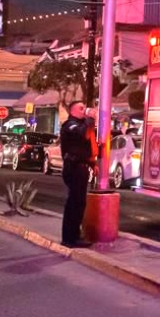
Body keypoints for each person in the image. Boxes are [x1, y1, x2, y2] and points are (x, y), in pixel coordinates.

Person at [58, 102, 96, 248]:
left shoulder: (81, 124)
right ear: (73, 111)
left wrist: (93, 164)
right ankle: (69, 238)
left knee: (79, 203)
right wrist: (90, 118)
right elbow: (83, 134)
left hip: (82, 167)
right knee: (74, 204)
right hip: (73, 167)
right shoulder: (70, 125)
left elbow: (86, 146)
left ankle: (75, 236)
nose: (84, 110)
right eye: (81, 108)